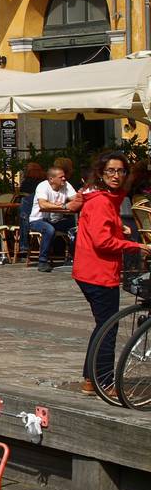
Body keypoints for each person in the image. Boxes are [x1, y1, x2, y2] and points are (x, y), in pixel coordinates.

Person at [73, 151, 151, 396]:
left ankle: (90, 379)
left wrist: (120, 228)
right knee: (108, 327)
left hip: (91, 270)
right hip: (97, 272)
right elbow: (102, 242)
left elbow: (101, 228)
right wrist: (137, 245)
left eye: (120, 171)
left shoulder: (104, 198)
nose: (116, 176)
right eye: (111, 171)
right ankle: (104, 382)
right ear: (101, 173)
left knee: (102, 326)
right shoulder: (101, 201)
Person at [29, 165, 80, 272]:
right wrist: (62, 206)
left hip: (56, 220)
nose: (64, 179)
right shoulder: (43, 186)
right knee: (49, 230)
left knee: (79, 227)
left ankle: (75, 259)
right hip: (38, 220)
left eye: (64, 177)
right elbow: (43, 205)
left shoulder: (65, 185)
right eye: (61, 177)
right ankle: (42, 262)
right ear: (51, 179)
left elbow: (77, 201)